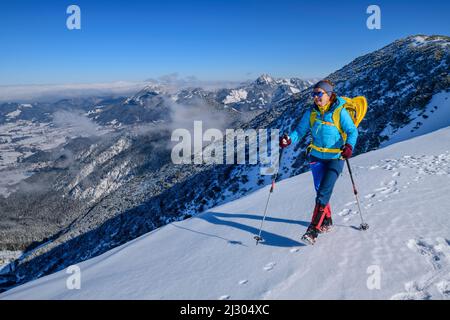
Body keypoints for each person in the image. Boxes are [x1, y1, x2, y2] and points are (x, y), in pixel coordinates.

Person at [279, 80, 358, 244]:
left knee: (323, 192)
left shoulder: (339, 112)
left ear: (328, 95)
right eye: (314, 94)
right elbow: (299, 131)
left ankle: (313, 230)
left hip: (336, 158)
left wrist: (349, 146)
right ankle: (327, 220)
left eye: (319, 93)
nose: (315, 97)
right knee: (319, 191)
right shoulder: (312, 112)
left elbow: (352, 131)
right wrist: (289, 140)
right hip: (316, 157)